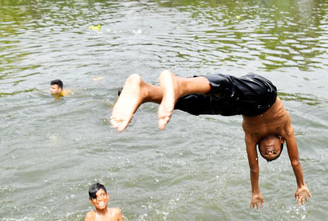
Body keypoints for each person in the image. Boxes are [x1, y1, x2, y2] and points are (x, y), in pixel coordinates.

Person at [109, 70, 311, 208]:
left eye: (266, 153)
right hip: (262, 93)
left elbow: (253, 167)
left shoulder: (252, 136)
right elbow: (295, 160)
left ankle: (144, 91)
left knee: (200, 105)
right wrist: (300, 185)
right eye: (274, 152)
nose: (269, 151)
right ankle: (178, 83)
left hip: (241, 107)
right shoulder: (285, 130)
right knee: (228, 86)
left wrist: (255, 191)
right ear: (281, 142)